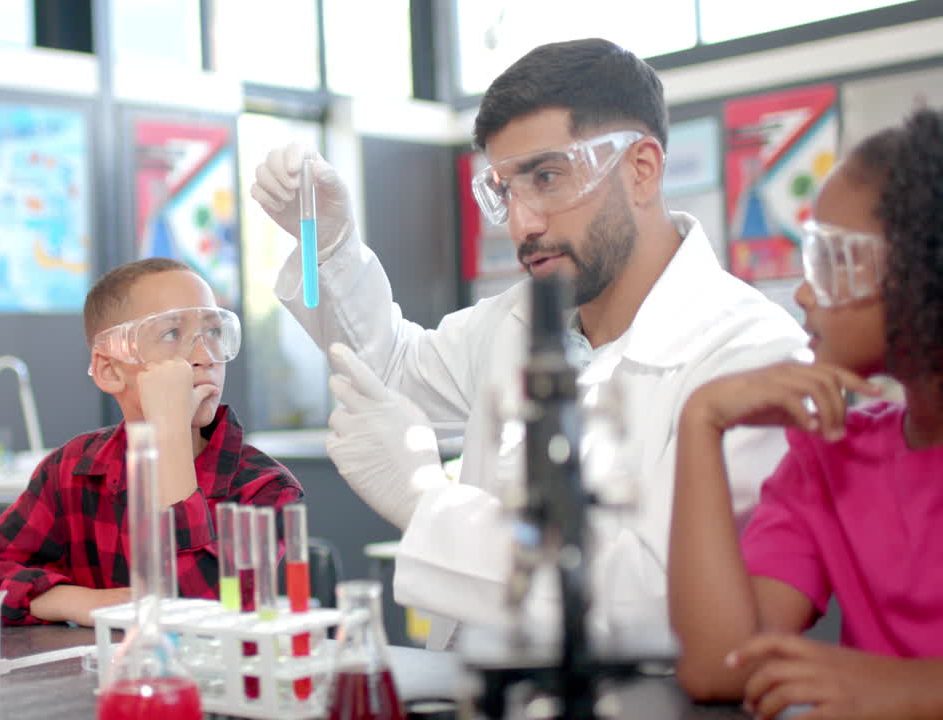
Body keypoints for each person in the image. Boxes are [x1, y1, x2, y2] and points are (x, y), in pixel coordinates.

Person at [250, 38, 807, 650]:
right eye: (505, 190)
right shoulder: (516, 320)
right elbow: (386, 371)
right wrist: (330, 247)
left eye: (546, 177)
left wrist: (426, 501)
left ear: (641, 168)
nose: (522, 224)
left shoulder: (752, 353)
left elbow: (651, 598)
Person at [670, 109, 943, 718]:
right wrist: (701, 420)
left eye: (828, 259)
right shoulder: (829, 454)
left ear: (924, 273)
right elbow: (719, 668)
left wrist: (907, 690)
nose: (802, 291)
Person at [0, 258, 303, 625]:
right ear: (109, 369)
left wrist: (171, 437)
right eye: (171, 334)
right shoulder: (71, 470)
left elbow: (196, 616)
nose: (205, 356)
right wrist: (78, 602)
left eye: (213, 332)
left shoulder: (264, 488)